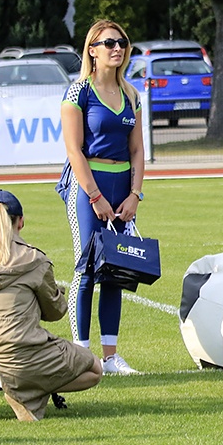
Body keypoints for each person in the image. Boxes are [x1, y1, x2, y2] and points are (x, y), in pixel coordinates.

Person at [0, 190, 103, 421]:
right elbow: (55, 311)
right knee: (94, 368)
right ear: (21, 222)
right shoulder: (34, 260)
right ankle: (26, 394)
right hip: (19, 359)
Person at [61, 20, 145, 374]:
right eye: (109, 42)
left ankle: (110, 356)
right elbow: (74, 149)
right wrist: (95, 195)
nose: (117, 48)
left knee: (117, 269)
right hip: (88, 188)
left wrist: (135, 195)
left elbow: (138, 150)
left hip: (123, 188)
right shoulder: (78, 92)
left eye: (122, 42)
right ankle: (82, 356)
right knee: (86, 267)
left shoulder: (131, 94)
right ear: (92, 50)